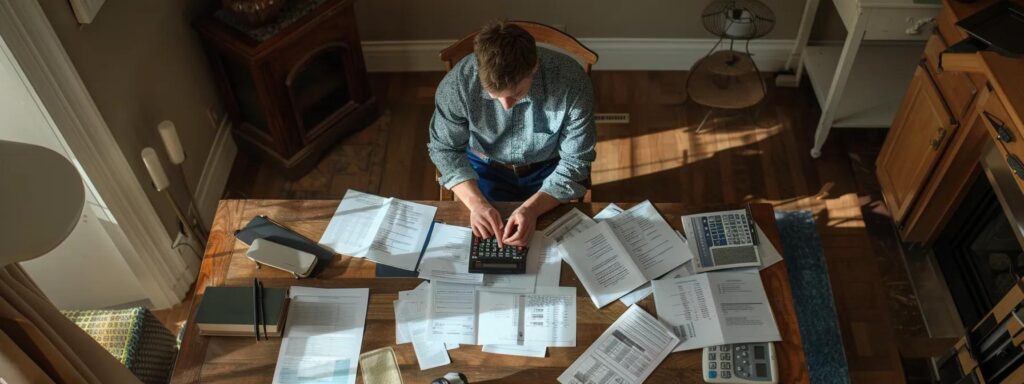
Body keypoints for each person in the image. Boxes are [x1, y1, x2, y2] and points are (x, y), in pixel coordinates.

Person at [428, 21, 596, 248]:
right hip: (483, 169)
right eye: (493, 95)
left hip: (550, 170)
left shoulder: (572, 83)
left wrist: (532, 209)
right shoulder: (457, 85)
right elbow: (445, 149)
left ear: (534, 66)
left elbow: (576, 161)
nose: (506, 106)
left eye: (517, 93)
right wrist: (476, 204)